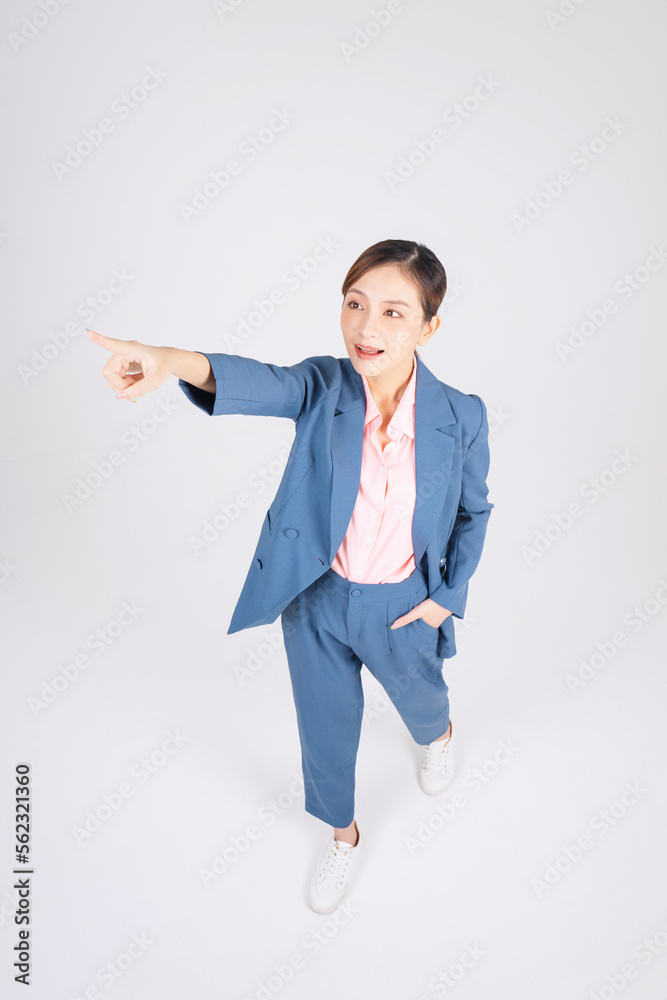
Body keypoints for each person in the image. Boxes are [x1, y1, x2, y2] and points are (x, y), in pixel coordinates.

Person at [88, 238, 494, 914]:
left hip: (403, 603)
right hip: (316, 600)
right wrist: (168, 360)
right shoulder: (324, 386)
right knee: (325, 727)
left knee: (422, 702)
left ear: (429, 326)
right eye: (355, 304)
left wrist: (444, 600)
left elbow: (473, 513)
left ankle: (439, 737)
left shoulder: (462, 415)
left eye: (393, 312)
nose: (366, 327)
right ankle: (343, 836)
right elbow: (255, 380)